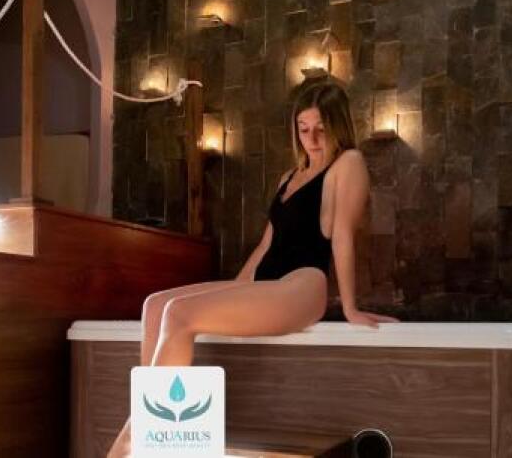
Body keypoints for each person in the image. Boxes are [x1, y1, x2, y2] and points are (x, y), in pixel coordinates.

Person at [106, 79, 400, 458]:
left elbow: (342, 235)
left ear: (338, 126)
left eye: (321, 129)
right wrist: (230, 291)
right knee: (156, 305)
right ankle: (154, 441)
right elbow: (265, 246)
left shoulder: (348, 163)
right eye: (303, 129)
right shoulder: (288, 178)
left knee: (178, 313)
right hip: (266, 283)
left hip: (302, 282)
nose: (311, 139)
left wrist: (350, 308)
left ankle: (136, 438)